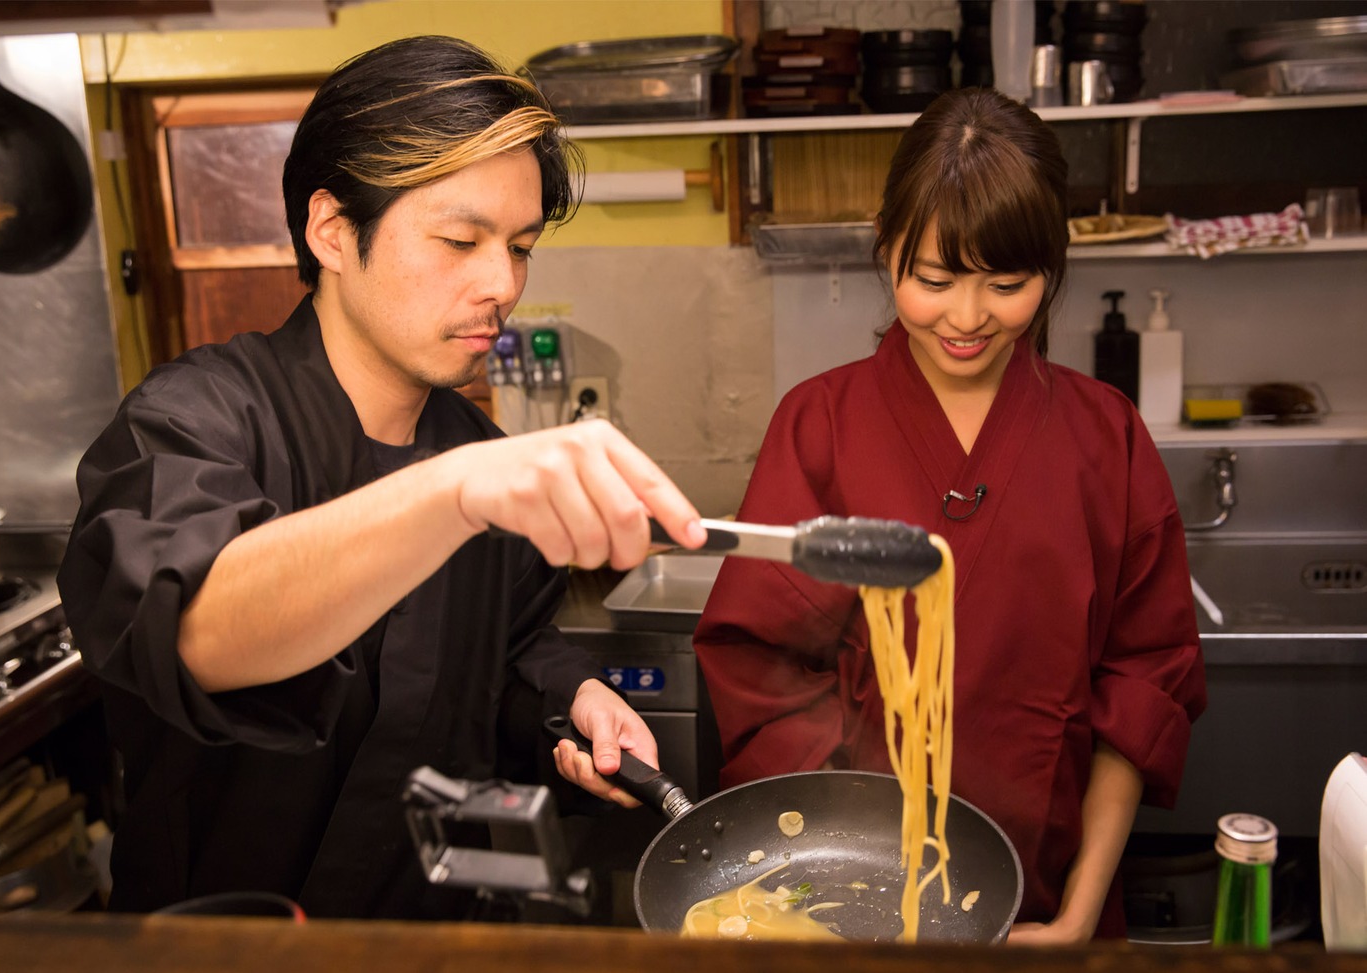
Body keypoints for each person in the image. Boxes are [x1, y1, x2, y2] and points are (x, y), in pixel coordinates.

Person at [58, 35, 707, 919]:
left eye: (519, 246)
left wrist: (574, 696)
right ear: (332, 230)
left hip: (429, 932)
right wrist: (451, 494)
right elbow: (203, 627)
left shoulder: (468, 442)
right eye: (459, 239)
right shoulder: (194, 420)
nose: (502, 284)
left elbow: (503, 653)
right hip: (221, 940)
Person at [692, 88, 1206, 944]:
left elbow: (1145, 678)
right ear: (886, 249)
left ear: (1051, 269)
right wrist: (845, 896)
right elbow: (765, 668)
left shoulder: (1104, 435)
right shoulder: (819, 424)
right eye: (933, 280)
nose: (967, 320)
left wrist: (1079, 910)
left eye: (1008, 285)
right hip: (852, 902)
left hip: (1052, 896)